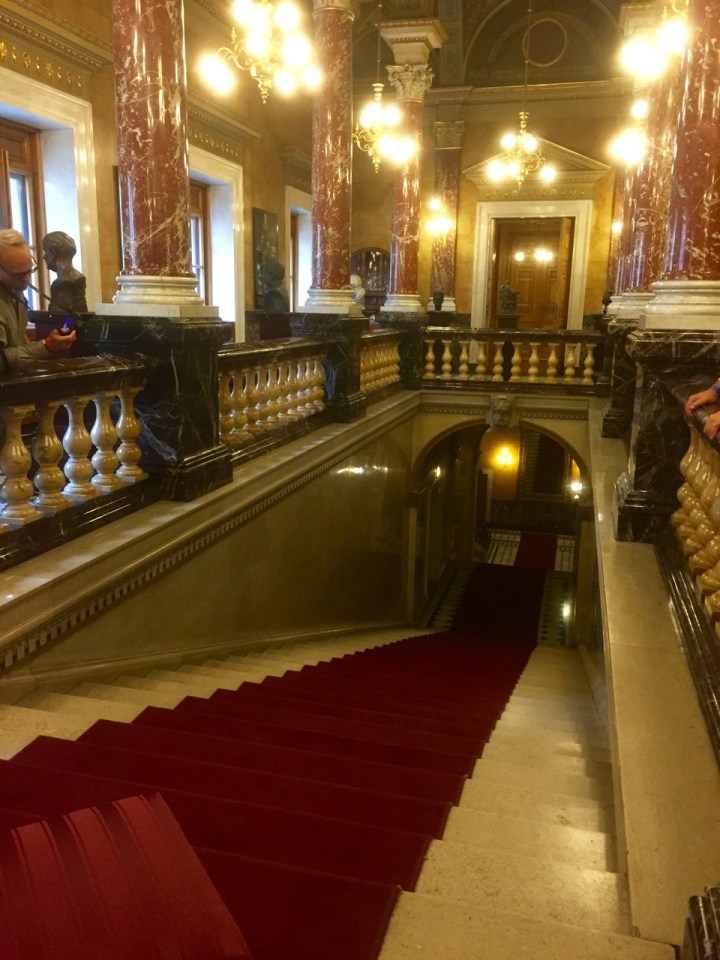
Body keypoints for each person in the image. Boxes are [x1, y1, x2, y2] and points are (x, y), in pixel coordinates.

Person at [0, 228, 75, 375]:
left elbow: (19, 347)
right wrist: (47, 345)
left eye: (29, 271)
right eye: (18, 275)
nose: (27, 279)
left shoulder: (16, 293)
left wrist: (51, 344)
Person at [42, 230, 88, 315]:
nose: (44, 257)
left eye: (46, 251)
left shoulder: (63, 283)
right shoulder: (75, 278)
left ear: (53, 252)